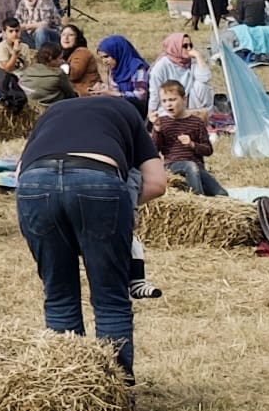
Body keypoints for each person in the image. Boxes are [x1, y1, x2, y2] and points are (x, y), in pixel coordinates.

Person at [12, 57, 165, 373]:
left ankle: (69, 391)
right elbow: (157, 183)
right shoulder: (127, 112)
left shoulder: (54, 111)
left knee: (59, 298)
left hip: (34, 184)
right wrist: (119, 208)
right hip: (98, 180)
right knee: (110, 299)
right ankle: (115, 393)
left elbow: (18, 173)